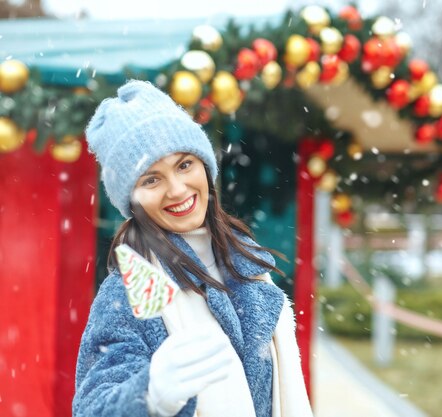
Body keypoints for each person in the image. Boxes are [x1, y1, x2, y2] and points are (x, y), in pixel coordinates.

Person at [73, 80, 313, 417]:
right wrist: (149, 395)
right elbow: (92, 408)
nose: (177, 189)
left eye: (184, 165)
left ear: (204, 165)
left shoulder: (248, 263)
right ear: (132, 199)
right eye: (151, 179)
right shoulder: (130, 291)